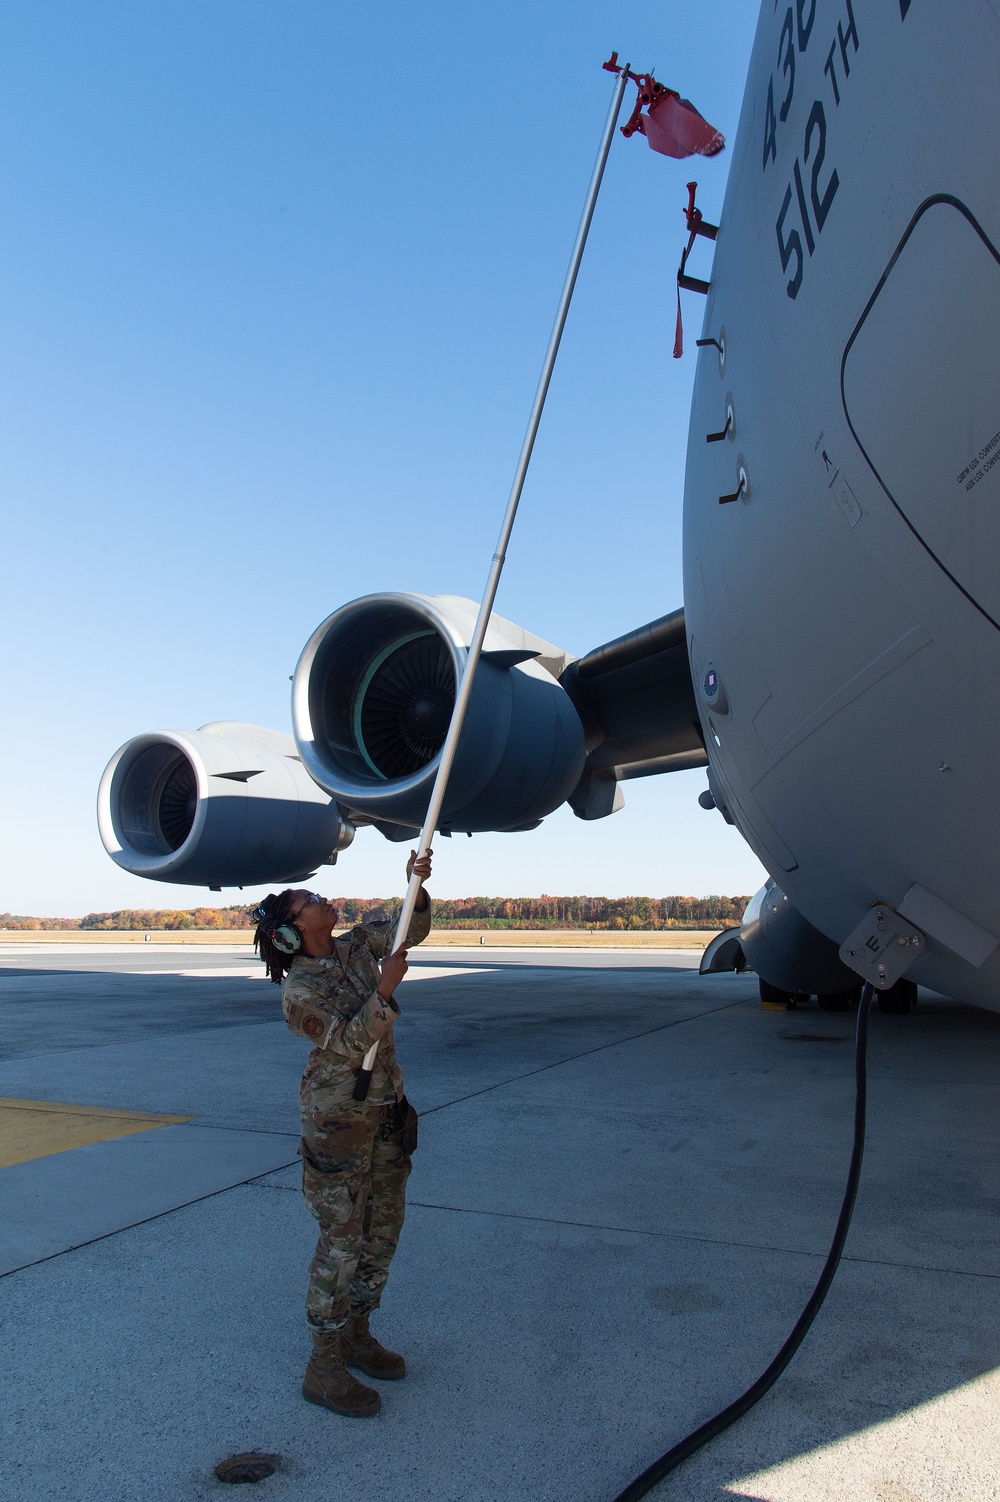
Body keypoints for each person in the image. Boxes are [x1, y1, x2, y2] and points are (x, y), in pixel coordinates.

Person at [251, 848, 433, 1418]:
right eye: (309, 901)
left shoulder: (356, 945)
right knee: (342, 1241)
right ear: (292, 930)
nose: (321, 897)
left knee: (383, 1230)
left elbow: (411, 928)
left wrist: (418, 886)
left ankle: (358, 1333)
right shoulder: (298, 994)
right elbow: (353, 1042)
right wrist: (385, 991)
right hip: (337, 1124)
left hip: (384, 1112)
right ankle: (323, 1367)